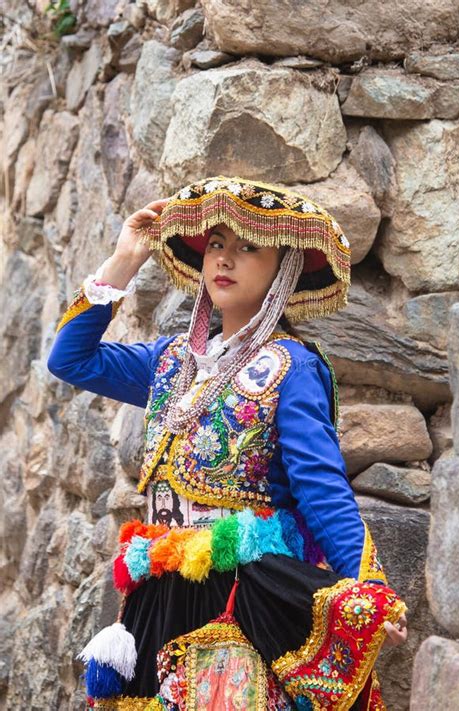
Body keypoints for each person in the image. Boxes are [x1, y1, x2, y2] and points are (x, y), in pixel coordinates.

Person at [47, 175, 407, 711]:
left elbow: (320, 487)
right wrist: (125, 260)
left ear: (284, 267)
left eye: (247, 247)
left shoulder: (292, 367)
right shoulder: (170, 361)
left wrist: (366, 588)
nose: (225, 259)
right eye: (216, 244)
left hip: (241, 598)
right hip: (159, 595)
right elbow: (69, 360)